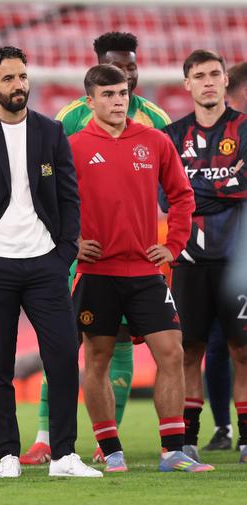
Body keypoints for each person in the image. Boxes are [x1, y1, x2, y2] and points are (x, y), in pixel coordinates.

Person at [0, 45, 102, 479]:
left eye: (22, 76)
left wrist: (64, 252)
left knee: (63, 358)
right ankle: (8, 455)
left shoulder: (51, 132)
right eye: (8, 78)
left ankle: (64, 456)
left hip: (46, 264)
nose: (18, 85)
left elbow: (69, 197)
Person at [22, 31, 172, 466]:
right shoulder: (70, 118)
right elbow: (48, 185)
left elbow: (169, 190)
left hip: (136, 258)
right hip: (82, 258)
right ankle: (46, 437)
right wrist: (67, 242)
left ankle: (108, 444)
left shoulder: (156, 121)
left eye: (130, 66)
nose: (125, 74)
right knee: (66, 344)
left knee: (119, 344)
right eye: (115, 66)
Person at [70, 63, 211, 473]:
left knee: (171, 351)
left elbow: (182, 196)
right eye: (108, 95)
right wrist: (72, 241)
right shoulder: (74, 146)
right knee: (97, 357)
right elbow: (52, 202)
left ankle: (173, 451)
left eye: (122, 94)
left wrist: (173, 245)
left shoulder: (154, 140)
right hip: (97, 272)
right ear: (90, 101)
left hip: (146, 272)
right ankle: (111, 450)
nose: (118, 101)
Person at [161, 50, 246, 465]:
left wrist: (193, 192)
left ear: (226, 80)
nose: (208, 81)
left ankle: (245, 439)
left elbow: (243, 187)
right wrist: (225, 187)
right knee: (188, 352)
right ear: (187, 84)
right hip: (188, 263)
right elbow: (166, 198)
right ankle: (188, 440)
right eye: (200, 75)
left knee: (243, 351)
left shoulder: (244, 128)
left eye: (215, 74)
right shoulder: (171, 136)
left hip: (237, 264)